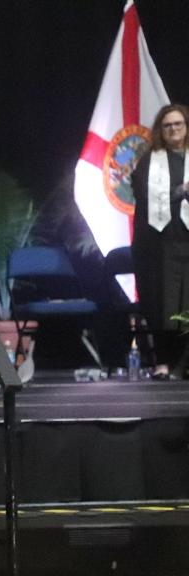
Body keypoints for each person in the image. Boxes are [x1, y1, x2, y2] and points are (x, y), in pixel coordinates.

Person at [131, 103, 189, 379]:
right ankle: (163, 362)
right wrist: (181, 190)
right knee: (163, 303)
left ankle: (184, 364)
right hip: (160, 244)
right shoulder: (149, 161)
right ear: (160, 131)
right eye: (167, 126)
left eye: (178, 124)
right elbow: (143, 196)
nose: (173, 129)